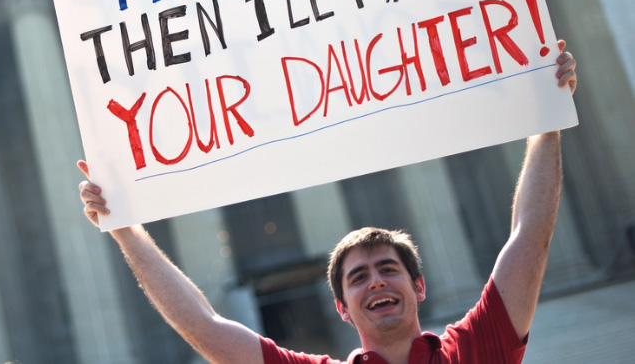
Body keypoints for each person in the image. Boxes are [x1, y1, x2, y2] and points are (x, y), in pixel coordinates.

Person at [78, 40, 577, 364]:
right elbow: (205, 329)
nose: (376, 280)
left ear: (419, 286)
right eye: (358, 277)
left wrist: (547, 124)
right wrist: (126, 228)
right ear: (341, 309)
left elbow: (530, 233)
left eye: (387, 268)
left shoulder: (475, 348)